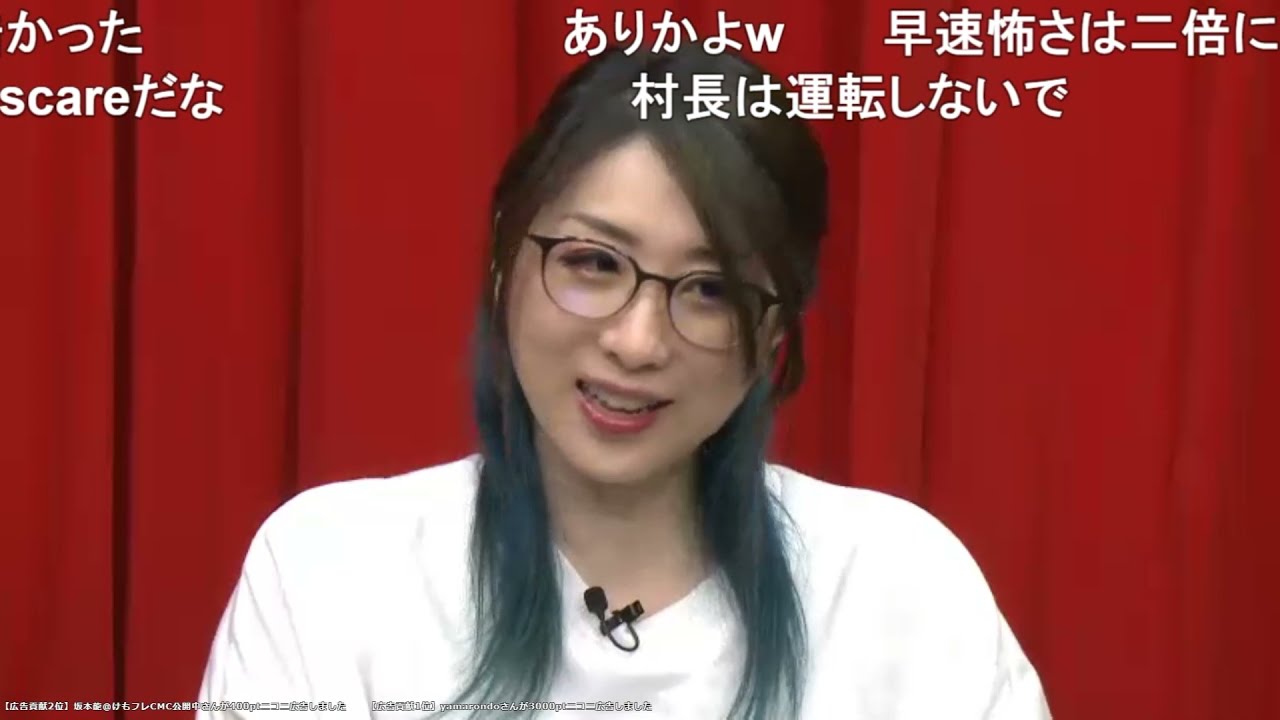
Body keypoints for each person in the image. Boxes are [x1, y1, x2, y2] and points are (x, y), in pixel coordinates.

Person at [196, 45, 1052, 720]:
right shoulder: (330, 570)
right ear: (505, 263)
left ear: (772, 335)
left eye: (709, 289)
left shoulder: (900, 587)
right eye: (593, 263)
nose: (636, 343)